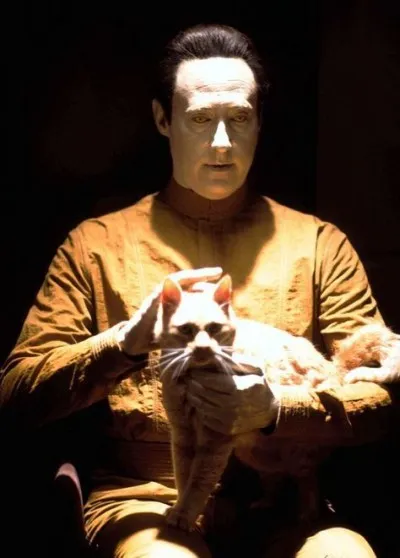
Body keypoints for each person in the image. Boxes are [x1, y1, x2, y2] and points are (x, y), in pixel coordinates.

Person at [0, 23, 390, 557]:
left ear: (260, 122)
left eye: (240, 118)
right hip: (147, 498)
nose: (222, 142)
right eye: (201, 119)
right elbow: (15, 395)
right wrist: (123, 344)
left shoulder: (318, 244)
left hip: (284, 504)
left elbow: (382, 400)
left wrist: (276, 410)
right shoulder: (97, 245)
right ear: (163, 119)